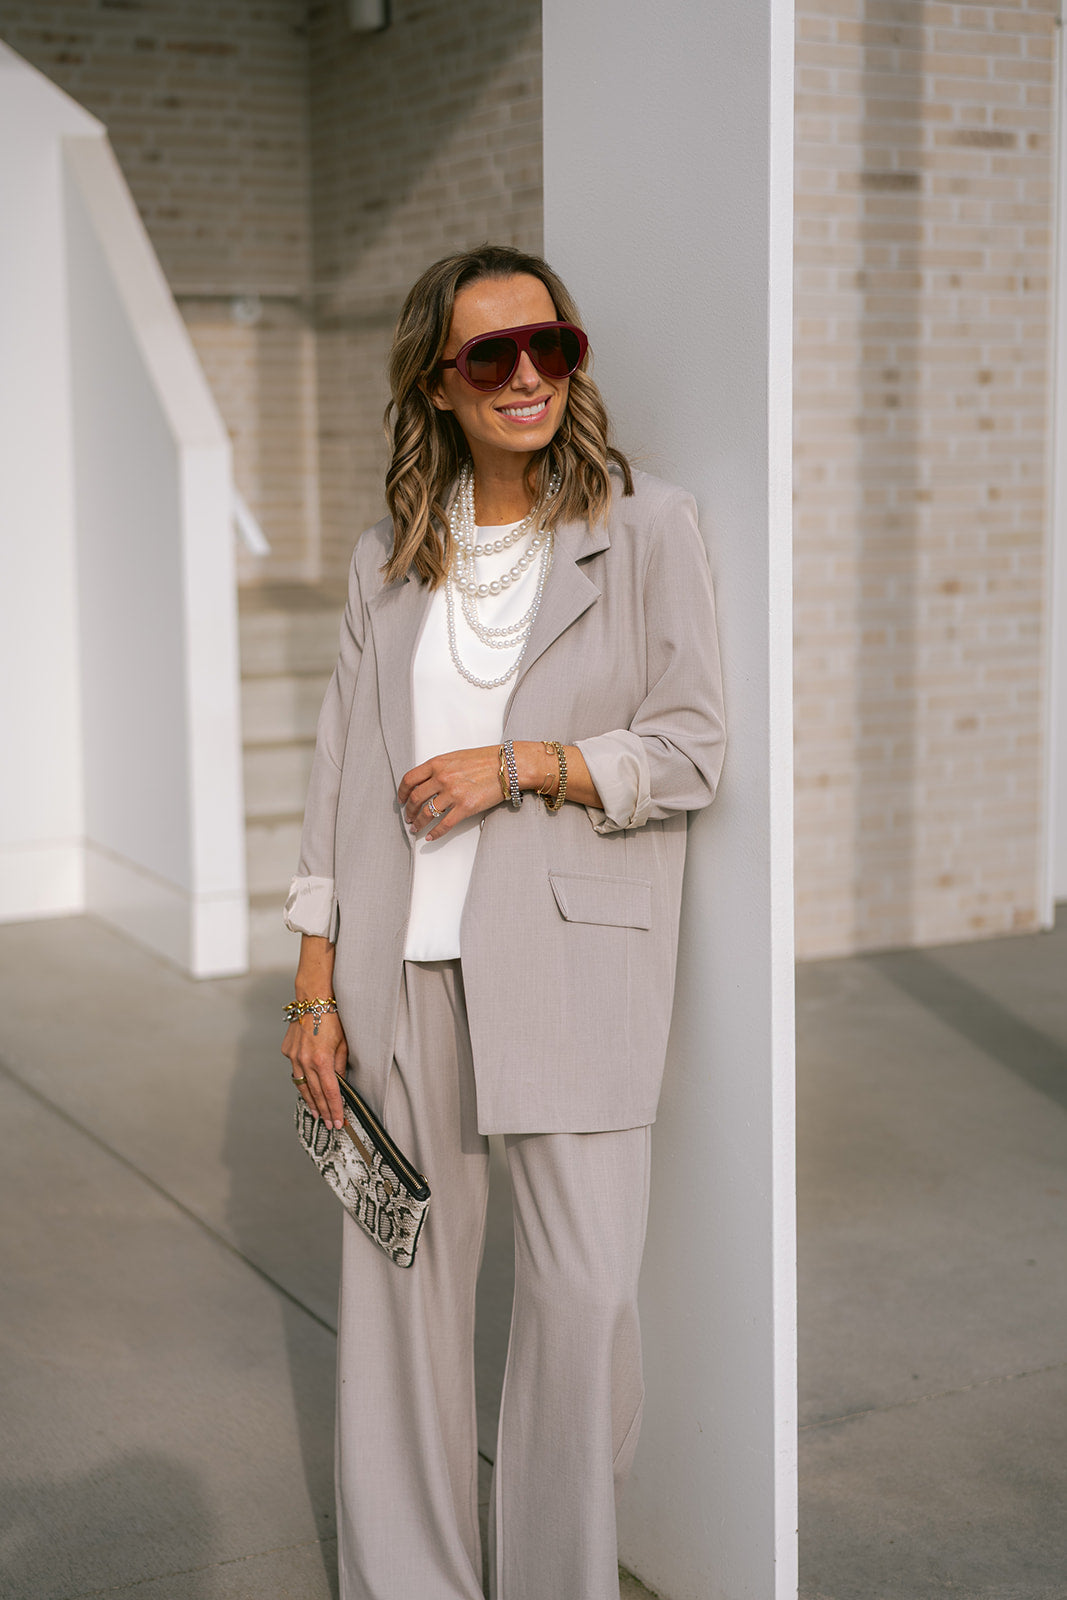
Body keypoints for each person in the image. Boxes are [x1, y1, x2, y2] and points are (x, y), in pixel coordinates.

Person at [281, 242, 725, 1600]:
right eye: (491, 354)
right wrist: (314, 990)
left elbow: (693, 750)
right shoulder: (388, 559)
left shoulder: (647, 528)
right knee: (400, 1308)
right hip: (397, 980)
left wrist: (524, 765)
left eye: (551, 347)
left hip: (574, 969)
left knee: (585, 1302)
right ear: (439, 382)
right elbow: (337, 781)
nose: (526, 375)